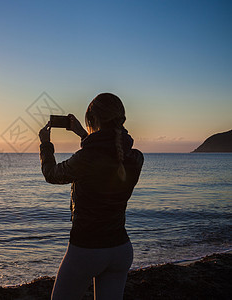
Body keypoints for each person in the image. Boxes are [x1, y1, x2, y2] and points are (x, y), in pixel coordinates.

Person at [39, 93, 144, 300]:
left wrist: (45, 144)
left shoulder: (86, 159)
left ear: (93, 120)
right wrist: (82, 133)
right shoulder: (135, 158)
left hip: (86, 249)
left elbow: (52, 174)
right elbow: (110, 152)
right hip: (120, 249)